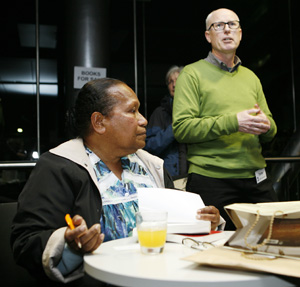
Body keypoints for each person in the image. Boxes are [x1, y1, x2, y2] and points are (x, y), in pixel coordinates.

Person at [11, 78, 222, 284]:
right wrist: (69, 244)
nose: (143, 120)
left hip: (162, 276)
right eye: (132, 111)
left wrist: (202, 222)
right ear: (99, 122)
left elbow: (176, 229)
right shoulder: (59, 167)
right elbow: (25, 242)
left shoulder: (151, 165)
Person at [172, 8, 278, 231]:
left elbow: (271, 129)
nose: (227, 29)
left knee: (273, 242)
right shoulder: (191, 74)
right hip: (211, 180)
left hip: (256, 178)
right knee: (211, 248)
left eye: (232, 24)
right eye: (219, 26)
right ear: (208, 36)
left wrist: (266, 126)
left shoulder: (251, 77)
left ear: (240, 33)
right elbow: (182, 129)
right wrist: (234, 122)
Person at [144, 65, 188, 178]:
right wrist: (174, 129)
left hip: (194, 178)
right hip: (169, 178)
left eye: (177, 80)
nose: (174, 85)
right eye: (170, 82)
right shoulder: (160, 113)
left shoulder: (197, 111)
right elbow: (149, 146)